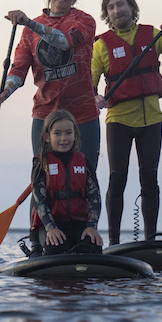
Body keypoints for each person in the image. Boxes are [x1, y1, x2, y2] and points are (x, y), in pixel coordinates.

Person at [90, 0, 162, 245]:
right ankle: (114, 243)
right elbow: (89, 86)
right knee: (117, 180)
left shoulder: (153, 35)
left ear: (132, 7)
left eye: (121, 4)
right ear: (107, 14)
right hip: (118, 121)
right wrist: (95, 98)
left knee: (149, 179)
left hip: (151, 121)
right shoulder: (101, 45)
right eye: (111, 7)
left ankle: (150, 240)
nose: (117, 10)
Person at [0, 0, 101, 174]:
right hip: (45, 116)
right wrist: (5, 91)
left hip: (83, 116)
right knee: (43, 181)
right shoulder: (29, 31)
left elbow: (64, 42)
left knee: (85, 181)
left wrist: (29, 23)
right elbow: (19, 69)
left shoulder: (84, 21)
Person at [25, 108, 103, 257]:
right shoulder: (40, 164)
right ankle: (37, 248)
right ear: (47, 137)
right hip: (51, 227)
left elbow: (95, 197)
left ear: (75, 134)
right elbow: (39, 200)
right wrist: (51, 228)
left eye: (68, 132)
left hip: (79, 225)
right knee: (56, 250)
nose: (64, 138)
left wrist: (92, 227)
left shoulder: (84, 162)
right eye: (57, 133)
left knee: (92, 248)